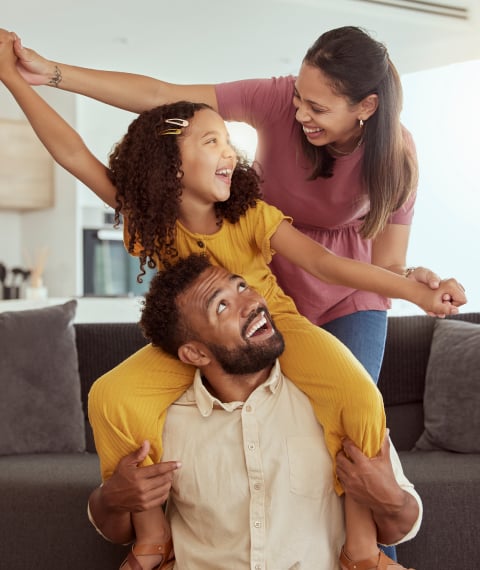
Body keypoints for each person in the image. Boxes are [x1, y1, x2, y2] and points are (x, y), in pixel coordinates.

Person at [0, 30, 460, 567]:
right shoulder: (150, 222)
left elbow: (325, 264)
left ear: (365, 107)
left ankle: (361, 547)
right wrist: (18, 77)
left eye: (226, 139)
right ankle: (151, 542)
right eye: (211, 142)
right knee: (111, 398)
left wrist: (414, 290)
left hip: (280, 321)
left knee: (358, 396)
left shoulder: (250, 215)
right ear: (172, 170)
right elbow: (75, 153)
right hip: (196, 339)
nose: (232, 152)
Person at [10, 24, 457, 382]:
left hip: (344, 290)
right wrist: (41, 74)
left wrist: (414, 286)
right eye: (299, 98)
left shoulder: (391, 160)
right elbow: (156, 101)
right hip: (262, 293)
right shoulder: (205, 213)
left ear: (366, 107)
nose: (300, 114)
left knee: (351, 403)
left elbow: (341, 264)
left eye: (318, 109)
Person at [88, 253, 421, 569]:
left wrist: (390, 498)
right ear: (195, 353)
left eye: (242, 286)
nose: (251, 303)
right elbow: (119, 531)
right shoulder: (162, 421)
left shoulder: (331, 401)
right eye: (222, 306)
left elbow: (399, 526)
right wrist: (110, 499)